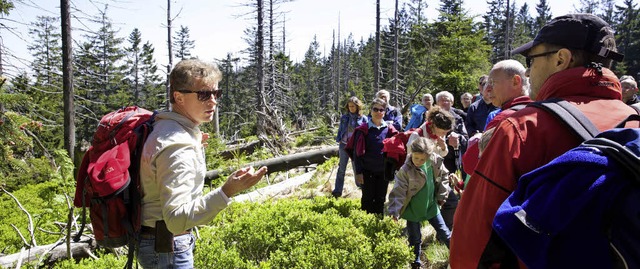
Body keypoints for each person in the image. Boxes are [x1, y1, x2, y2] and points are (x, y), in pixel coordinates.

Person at [450, 14, 636, 269]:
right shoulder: (635, 122)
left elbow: (472, 244)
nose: (527, 70)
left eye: (531, 60)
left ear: (561, 59)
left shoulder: (521, 129)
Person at [138, 59, 268, 269]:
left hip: (159, 245)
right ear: (178, 97)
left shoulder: (165, 127)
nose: (213, 101)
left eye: (216, 94)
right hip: (168, 249)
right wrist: (227, 191)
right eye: (204, 95)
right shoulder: (177, 144)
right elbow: (176, 220)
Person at [387, 137, 452, 269]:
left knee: (444, 232)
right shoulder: (405, 170)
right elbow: (398, 191)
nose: (418, 162)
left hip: (431, 206)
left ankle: (458, 254)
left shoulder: (434, 161)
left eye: (422, 159)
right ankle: (415, 262)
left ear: (429, 156)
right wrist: (394, 211)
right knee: (415, 238)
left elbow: (444, 176)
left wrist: (441, 195)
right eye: (416, 158)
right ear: (411, 153)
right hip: (413, 209)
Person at [462, 59, 532, 176]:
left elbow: (472, 166)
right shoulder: (539, 110)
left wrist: (478, 140)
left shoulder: (504, 119)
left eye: (493, 82)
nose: (488, 89)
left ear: (515, 81)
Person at [347, 98, 399, 214]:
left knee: (380, 199)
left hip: (383, 172)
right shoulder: (362, 130)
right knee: (367, 199)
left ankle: (378, 225)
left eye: (381, 110)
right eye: (375, 109)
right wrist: (358, 172)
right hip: (367, 171)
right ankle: (365, 226)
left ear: (384, 112)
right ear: (370, 111)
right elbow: (357, 153)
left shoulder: (389, 130)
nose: (378, 112)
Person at [433, 91, 468, 230]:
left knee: (453, 193)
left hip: (454, 160)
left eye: (447, 100)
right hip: (438, 161)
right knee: (442, 193)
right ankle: (441, 224)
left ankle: (449, 224)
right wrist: (447, 140)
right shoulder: (432, 118)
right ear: (437, 103)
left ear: (452, 102)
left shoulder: (458, 118)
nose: (444, 102)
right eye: (441, 100)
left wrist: (458, 139)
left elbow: (465, 137)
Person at [333, 96, 368, 197]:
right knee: (341, 169)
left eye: (353, 106)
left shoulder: (363, 118)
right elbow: (340, 130)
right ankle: (337, 191)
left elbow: (365, 133)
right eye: (349, 106)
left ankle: (361, 188)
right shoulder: (344, 118)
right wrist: (339, 140)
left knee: (357, 168)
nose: (351, 108)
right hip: (344, 145)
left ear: (358, 106)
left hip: (356, 147)